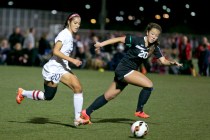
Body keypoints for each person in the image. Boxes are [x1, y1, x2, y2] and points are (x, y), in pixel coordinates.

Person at [80, 22, 183, 124]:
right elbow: (119, 39)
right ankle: (139, 110)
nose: (154, 37)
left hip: (128, 71)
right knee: (149, 85)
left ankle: (86, 113)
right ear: (147, 32)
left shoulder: (154, 47)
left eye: (156, 35)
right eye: (152, 34)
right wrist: (101, 44)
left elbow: (163, 61)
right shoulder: (136, 40)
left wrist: (172, 63)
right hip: (124, 69)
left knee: (109, 96)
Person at [16, 12, 89, 126]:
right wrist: (72, 60)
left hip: (62, 68)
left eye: (79, 23)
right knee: (48, 96)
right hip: (54, 69)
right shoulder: (63, 34)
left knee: (78, 88)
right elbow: (55, 51)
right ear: (69, 22)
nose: (77, 25)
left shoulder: (69, 35)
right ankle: (23, 93)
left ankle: (77, 118)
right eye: (75, 23)